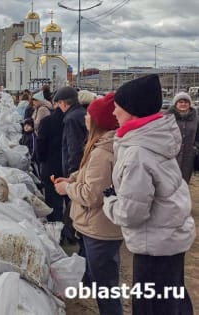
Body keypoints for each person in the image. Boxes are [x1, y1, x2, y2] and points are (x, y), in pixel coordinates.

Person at [103, 74, 195, 315]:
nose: (113, 113)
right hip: (170, 236)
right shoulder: (157, 139)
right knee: (173, 296)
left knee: (153, 306)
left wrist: (109, 201)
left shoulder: (138, 153)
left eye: (117, 108)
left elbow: (132, 214)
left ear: (131, 111)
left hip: (154, 244)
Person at [54, 92, 123, 315]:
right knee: (99, 277)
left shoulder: (103, 153)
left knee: (106, 286)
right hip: (98, 225)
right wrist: (72, 178)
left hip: (100, 228)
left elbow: (92, 195)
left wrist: (67, 188)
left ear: (97, 122)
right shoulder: (102, 147)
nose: (84, 117)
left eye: (89, 115)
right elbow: (89, 176)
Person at [53, 86, 87, 244]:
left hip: (75, 170)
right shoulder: (81, 114)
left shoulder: (71, 119)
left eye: (59, 104)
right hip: (82, 169)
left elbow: (73, 148)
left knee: (73, 206)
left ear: (63, 103)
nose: (58, 108)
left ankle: (71, 236)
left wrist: (71, 174)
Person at [36, 97, 65, 222]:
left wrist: (41, 160)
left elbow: (40, 144)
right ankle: (69, 231)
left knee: (53, 200)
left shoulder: (47, 121)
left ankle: (55, 228)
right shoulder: (74, 119)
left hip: (50, 165)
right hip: (70, 167)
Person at [166, 91, 199, 183]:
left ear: (189, 104)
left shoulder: (196, 118)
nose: (183, 104)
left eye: (186, 102)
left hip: (188, 157)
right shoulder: (167, 117)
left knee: (184, 181)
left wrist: (195, 147)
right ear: (176, 104)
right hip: (170, 155)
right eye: (180, 102)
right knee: (169, 181)